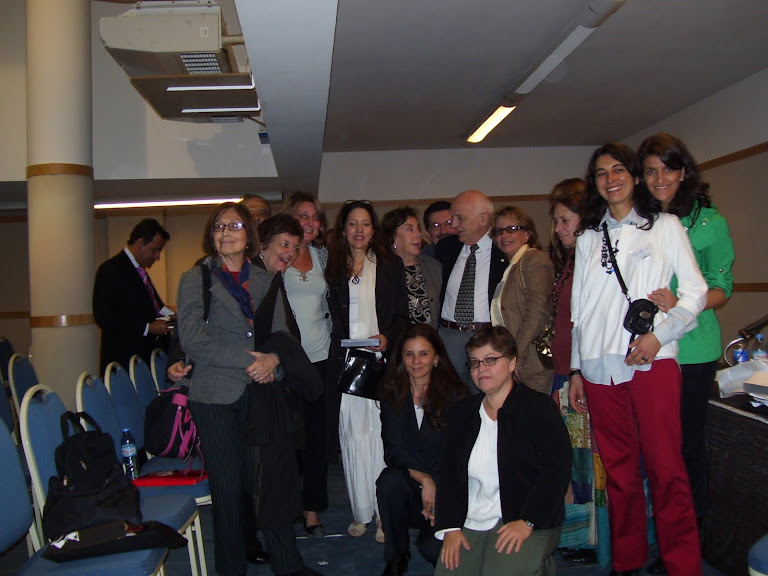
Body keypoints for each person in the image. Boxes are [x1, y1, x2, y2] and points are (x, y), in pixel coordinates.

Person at [568, 143, 708, 576]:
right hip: (597, 366)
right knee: (620, 472)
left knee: (667, 469)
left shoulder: (664, 225)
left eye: (619, 170)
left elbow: (696, 292)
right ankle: (627, 562)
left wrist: (658, 336)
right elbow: (580, 310)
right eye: (601, 173)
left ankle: (682, 565)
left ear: (634, 176)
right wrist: (576, 368)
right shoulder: (588, 236)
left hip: (651, 361)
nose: (611, 179)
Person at [177, 203, 321, 576]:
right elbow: (193, 338)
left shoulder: (264, 279)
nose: (226, 231)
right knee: (227, 493)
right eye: (219, 226)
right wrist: (251, 361)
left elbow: (282, 334)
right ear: (211, 235)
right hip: (214, 397)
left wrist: (273, 358)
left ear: (249, 235)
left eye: (235, 225)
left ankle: (287, 565)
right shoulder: (196, 278)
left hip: (260, 396)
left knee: (269, 482)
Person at [636, 134, 734, 575]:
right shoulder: (640, 221)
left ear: (684, 172)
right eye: (651, 171)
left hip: (691, 349)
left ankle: (687, 543)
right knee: (655, 449)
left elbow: (722, 289)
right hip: (649, 349)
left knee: (687, 449)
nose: (660, 180)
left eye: (668, 170)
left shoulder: (709, 222)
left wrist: (682, 302)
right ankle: (662, 535)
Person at [434, 326, 571, 576]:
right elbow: (449, 474)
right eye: (474, 363)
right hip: (474, 515)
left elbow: (556, 471)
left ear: (511, 363)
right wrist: (450, 527)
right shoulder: (461, 413)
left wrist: (527, 521)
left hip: (525, 515)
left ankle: (540, 566)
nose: (481, 369)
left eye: (490, 360)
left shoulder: (538, 409)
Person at [325, 200, 409, 540]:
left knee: (379, 436)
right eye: (352, 224)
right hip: (345, 366)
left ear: (373, 229)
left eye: (365, 224)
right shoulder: (332, 267)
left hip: (380, 364)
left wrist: (387, 338)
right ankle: (361, 512)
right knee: (351, 437)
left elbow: (403, 316)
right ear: (343, 229)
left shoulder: (390, 265)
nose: (359, 230)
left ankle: (383, 515)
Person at [376, 323, 467, 575]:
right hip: (411, 485)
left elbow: (459, 457)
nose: (416, 361)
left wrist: (438, 487)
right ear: (401, 358)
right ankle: (396, 556)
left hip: (447, 491)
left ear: (437, 358)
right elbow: (392, 450)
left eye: (423, 353)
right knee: (389, 480)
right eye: (409, 354)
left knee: (433, 552)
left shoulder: (457, 395)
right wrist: (424, 478)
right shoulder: (391, 392)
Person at [547, 179, 604, 563]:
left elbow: (588, 323)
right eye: (556, 221)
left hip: (581, 373)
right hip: (566, 371)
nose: (558, 228)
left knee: (587, 460)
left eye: (565, 220)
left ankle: (594, 540)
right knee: (571, 458)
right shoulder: (572, 259)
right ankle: (579, 537)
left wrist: (574, 374)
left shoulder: (595, 259)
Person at [282, 191, 332, 538]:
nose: (310, 222)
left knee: (318, 439)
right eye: (302, 215)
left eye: (314, 216)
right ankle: (286, 506)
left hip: (323, 358)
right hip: (286, 363)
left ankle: (312, 509)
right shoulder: (276, 255)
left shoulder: (325, 256)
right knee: (287, 441)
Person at [434, 190, 508, 391]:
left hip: (488, 339)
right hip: (448, 336)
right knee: (449, 400)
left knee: (486, 398)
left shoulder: (504, 251)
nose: (454, 225)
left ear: (483, 219)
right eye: (453, 218)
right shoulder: (446, 248)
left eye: (460, 218)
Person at [93, 218, 173, 373]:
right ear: (140, 243)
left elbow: (156, 306)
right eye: (155, 250)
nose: (157, 257)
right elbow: (104, 317)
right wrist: (147, 328)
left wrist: (175, 317)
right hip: (125, 361)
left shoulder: (138, 271)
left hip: (144, 359)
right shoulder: (111, 269)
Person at [489, 206, 555, 394]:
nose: (504, 236)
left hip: (533, 361)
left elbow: (538, 312)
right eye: (499, 231)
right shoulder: (510, 269)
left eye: (512, 229)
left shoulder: (534, 259)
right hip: (517, 361)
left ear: (527, 233)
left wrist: (516, 354)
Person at [381, 206, 443, 329]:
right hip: (397, 343)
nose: (418, 235)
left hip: (430, 341)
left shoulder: (434, 266)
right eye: (410, 229)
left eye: (418, 229)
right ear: (393, 238)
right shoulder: (381, 270)